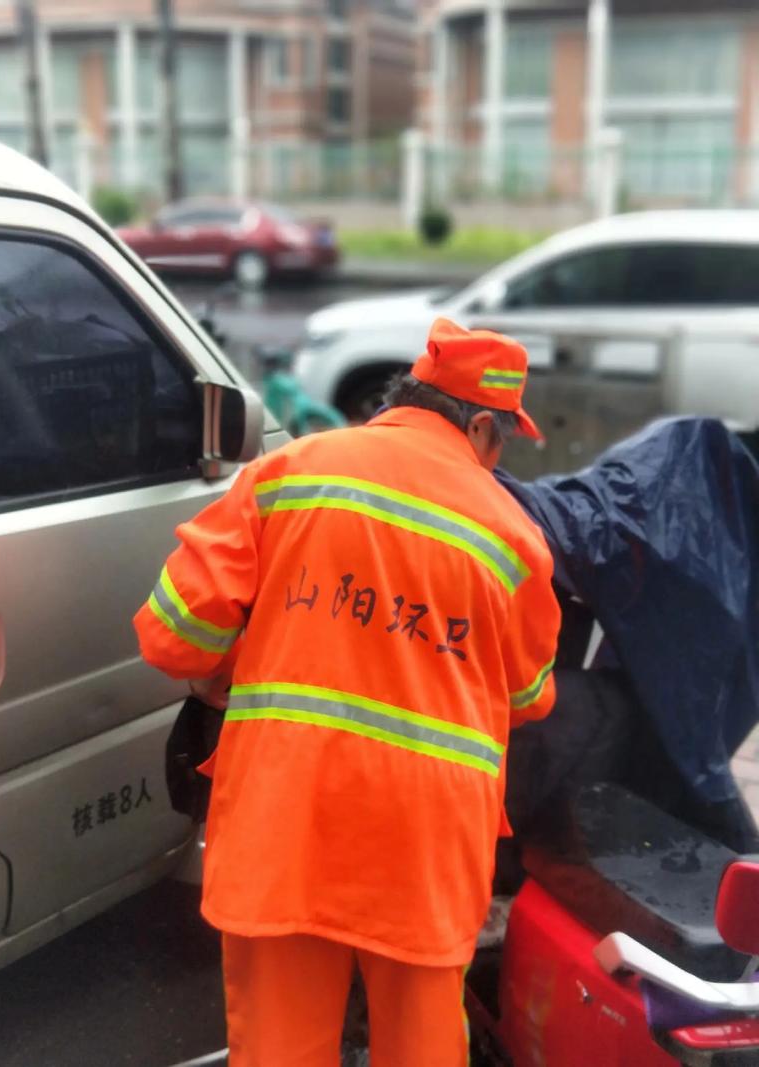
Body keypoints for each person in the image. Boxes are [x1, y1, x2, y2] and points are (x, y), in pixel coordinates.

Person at [133, 316, 561, 1067]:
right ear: (484, 425)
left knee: (277, 1047)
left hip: (284, 823)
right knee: (423, 1044)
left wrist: (243, 654)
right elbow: (529, 694)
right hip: (426, 847)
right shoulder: (514, 539)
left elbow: (172, 634)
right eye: (504, 442)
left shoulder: (289, 472)